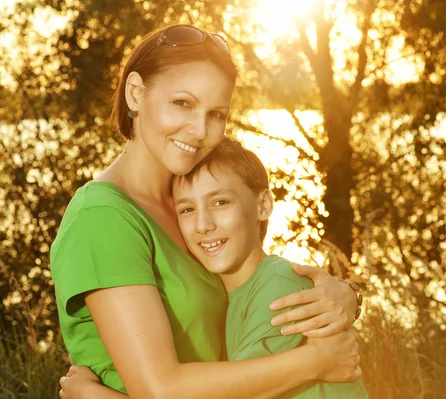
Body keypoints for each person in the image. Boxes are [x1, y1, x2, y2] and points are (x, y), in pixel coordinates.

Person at [51, 24, 363, 399]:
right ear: (136, 93)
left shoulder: (185, 204)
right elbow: (159, 389)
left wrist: (346, 295)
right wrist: (313, 363)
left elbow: (251, 286)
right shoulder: (102, 216)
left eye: (216, 113)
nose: (199, 129)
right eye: (182, 102)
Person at [58, 137, 369, 399]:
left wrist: (94, 395)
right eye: (187, 209)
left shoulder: (280, 291)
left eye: (221, 202)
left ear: (263, 205)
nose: (204, 224)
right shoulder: (225, 292)